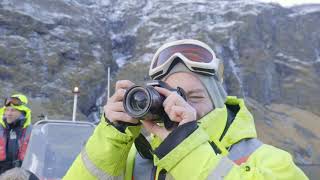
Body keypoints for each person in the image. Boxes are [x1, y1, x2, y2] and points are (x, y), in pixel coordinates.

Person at [64, 39, 308, 179]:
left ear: (218, 102)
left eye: (194, 96)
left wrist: (186, 147)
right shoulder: (133, 158)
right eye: (171, 96)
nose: (180, 106)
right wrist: (110, 138)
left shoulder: (271, 160)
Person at [0, 94, 32, 174]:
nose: (9, 113)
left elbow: (45, 157)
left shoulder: (33, 132)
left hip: (22, 175)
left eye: (13, 110)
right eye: (7, 110)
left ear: (23, 113)